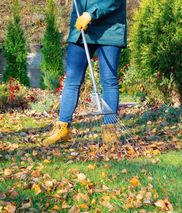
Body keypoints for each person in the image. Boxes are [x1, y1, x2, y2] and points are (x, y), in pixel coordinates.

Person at [43, 0, 127, 146]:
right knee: (71, 80)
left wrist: (91, 13)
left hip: (110, 29)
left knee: (109, 80)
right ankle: (62, 128)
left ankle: (109, 130)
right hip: (82, 28)